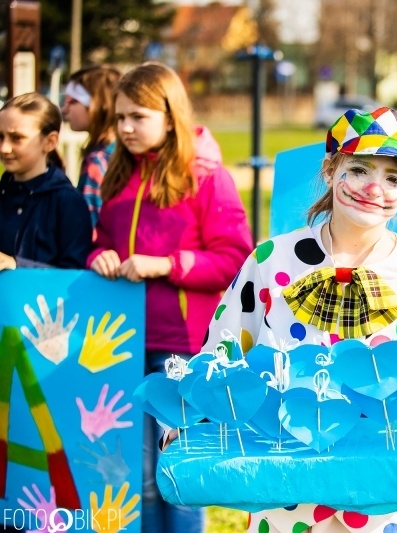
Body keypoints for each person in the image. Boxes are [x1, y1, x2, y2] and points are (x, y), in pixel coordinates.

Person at [201, 106, 397, 533]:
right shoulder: (272, 261)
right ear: (329, 170)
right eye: (358, 170)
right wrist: (191, 420)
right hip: (288, 496)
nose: (375, 189)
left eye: (393, 179)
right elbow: (221, 354)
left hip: (387, 498)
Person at [87, 62, 253, 533]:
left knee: (179, 475)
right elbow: (101, 239)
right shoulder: (117, 175)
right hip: (120, 344)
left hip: (180, 350)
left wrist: (166, 265)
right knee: (137, 479)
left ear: (169, 115)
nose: (125, 128)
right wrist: (98, 255)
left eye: (137, 117)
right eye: (120, 117)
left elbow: (236, 259)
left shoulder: (206, 177)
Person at [0, 92, 92, 271]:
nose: (5, 148)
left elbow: (75, 274)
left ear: (50, 141)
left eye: (17, 138)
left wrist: (16, 266)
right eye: (0, 137)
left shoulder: (67, 202)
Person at [62, 65, 122, 227]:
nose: (64, 109)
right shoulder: (123, 150)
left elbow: (90, 225)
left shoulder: (98, 161)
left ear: (97, 104)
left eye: (72, 101)